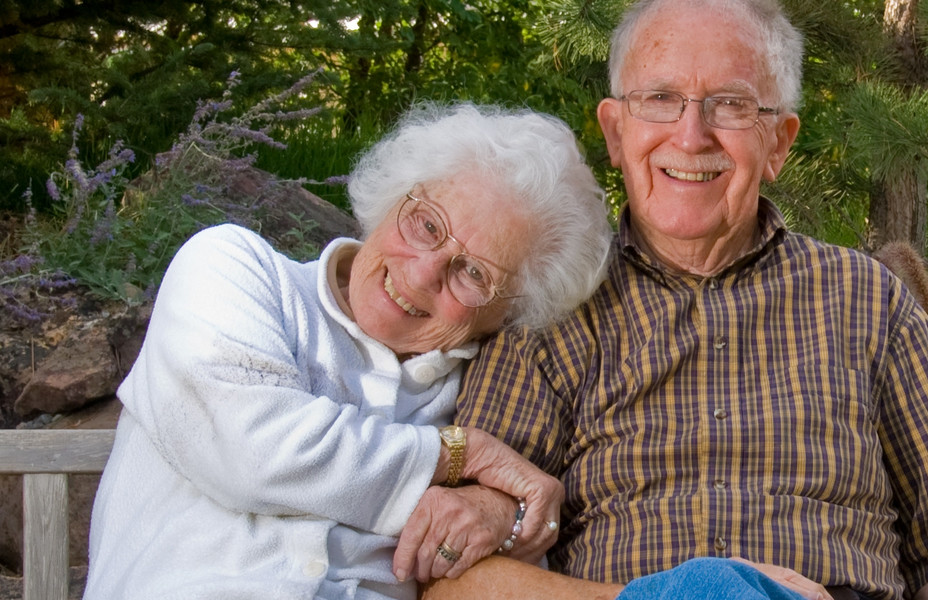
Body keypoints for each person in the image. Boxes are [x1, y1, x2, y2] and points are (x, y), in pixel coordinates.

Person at [418, 1, 928, 599]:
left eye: (729, 104)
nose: (690, 136)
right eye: (660, 98)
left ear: (779, 141)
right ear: (614, 130)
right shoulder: (554, 306)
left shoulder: (868, 303)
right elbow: (455, 577)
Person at [83, 102, 612, 599]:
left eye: (474, 273)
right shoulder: (236, 271)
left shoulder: (484, 393)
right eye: (427, 225)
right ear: (391, 199)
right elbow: (256, 451)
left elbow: (520, 539)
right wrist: (459, 454)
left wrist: (498, 507)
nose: (424, 272)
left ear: (511, 314)